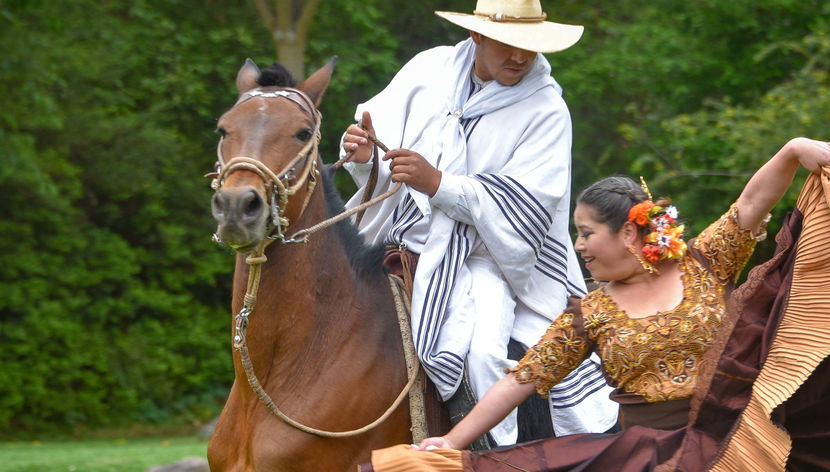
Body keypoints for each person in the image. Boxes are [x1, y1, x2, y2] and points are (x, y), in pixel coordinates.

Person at [357, 137, 830, 471]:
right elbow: (520, 381)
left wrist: (792, 149)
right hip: (646, 457)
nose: (578, 247)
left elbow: (752, 202)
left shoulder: (703, 264)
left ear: (628, 232)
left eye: (585, 234)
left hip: (737, 441)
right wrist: (451, 443)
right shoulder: (592, 313)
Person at [340, 0, 617, 448]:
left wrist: (439, 183)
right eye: (509, 44)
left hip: (490, 259)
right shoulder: (428, 70)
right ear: (477, 37)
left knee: (483, 352)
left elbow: (528, 209)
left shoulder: (547, 109)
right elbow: (375, 139)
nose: (520, 57)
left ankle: (493, 453)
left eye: (530, 46)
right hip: (401, 235)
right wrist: (363, 154)